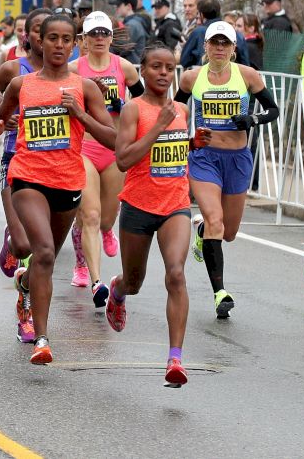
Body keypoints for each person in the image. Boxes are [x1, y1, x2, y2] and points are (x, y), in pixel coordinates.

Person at [0, 14, 118, 364]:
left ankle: (26, 284)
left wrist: (81, 115)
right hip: (27, 176)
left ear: (76, 44)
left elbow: (114, 140)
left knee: (46, 259)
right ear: (39, 41)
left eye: (66, 39)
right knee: (42, 250)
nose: (59, 45)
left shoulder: (85, 88)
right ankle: (42, 338)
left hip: (68, 182)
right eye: (52, 38)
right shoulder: (21, 84)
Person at [106, 43, 211, 386]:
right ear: (144, 69)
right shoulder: (133, 110)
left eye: (169, 68)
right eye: (156, 67)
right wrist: (158, 127)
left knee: (176, 274)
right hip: (138, 205)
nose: (164, 73)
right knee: (133, 281)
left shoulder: (180, 109)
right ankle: (118, 292)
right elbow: (123, 159)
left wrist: (193, 143)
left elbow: (173, 148)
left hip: (175, 204)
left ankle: (175, 359)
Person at [177, 21, 280, 318]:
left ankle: (201, 231)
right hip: (204, 158)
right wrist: (186, 140)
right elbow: (175, 113)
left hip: (237, 158)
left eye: (225, 43)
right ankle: (220, 292)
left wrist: (252, 121)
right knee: (215, 221)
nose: (219, 48)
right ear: (205, 47)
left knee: (229, 232)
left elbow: (272, 110)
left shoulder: (247, 76)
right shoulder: (191, 79)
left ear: (234, 49)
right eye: (214, 43)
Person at [68, 11, 142, 305]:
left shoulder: (125, 68)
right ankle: (95, 279)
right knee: (91, 215)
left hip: (113, 150)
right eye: (93, 35)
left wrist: (121, 104)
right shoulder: (73, 69)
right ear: (83, 40)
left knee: (106, 218)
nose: (99, 39)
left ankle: (105, 231)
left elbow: (142, 104)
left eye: (104, 34)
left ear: (111, 37)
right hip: (84, 147)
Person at [0, 7, 50, 343]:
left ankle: (25, 297)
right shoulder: (14, 70)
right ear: (29, 36)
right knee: (26, 243)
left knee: (45, 253)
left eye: (54, 33)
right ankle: (12, 240)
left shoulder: (70, 77)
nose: (45, 38)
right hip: (16, 159)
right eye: (39, 31)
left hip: (56, 168)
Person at [182, 0, 250, 69]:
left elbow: (184, 60)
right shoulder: (236, 34)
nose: (220, 47)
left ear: (201, 14)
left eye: (226, 42)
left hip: (205, 76)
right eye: (213, 42)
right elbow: (245, 62)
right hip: (233, 77)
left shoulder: (198, 32)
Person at [112, 0, 147, 64]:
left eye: (119, 5)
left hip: (132, 67)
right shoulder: (132, 23)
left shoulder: (132, 25)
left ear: (128, 6)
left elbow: (121, 47)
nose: (117, 9)